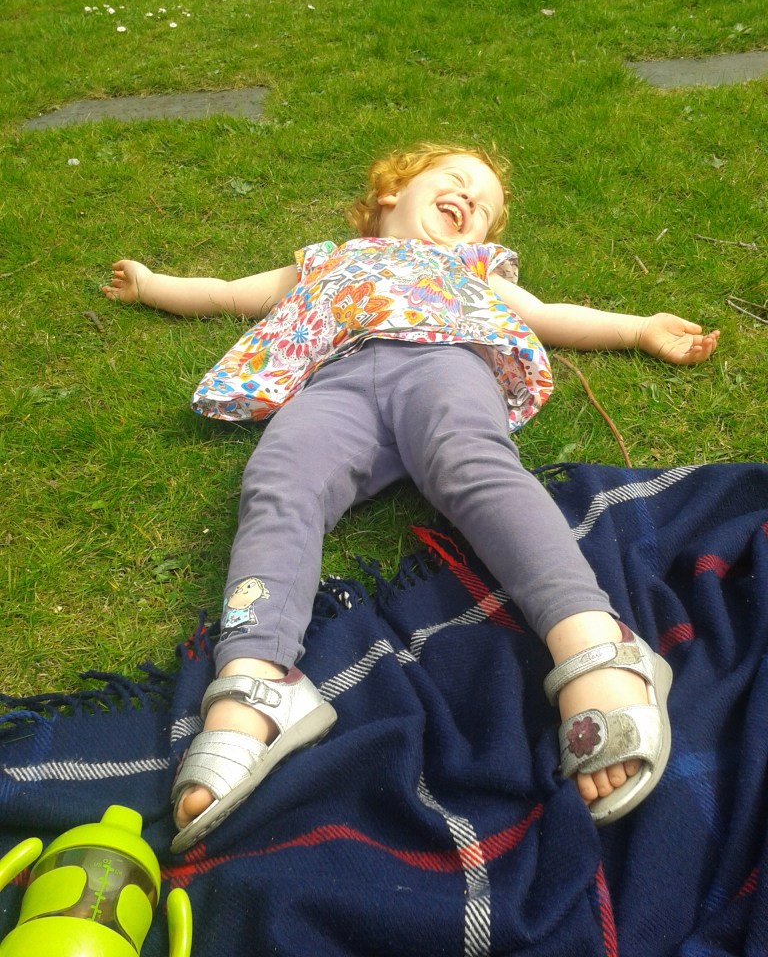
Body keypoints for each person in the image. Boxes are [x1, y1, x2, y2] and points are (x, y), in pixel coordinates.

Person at [102, 143, 719, 852]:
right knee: (279, 481)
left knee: (470, 462)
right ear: (392, 191)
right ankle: (256, 677)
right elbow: (226, 293)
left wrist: (637, 329)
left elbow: (546, 314)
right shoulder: (323, 262)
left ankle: (594, 641)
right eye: (456, 182)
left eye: (483, 206)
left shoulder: (473, 266)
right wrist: (153, 285)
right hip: (337, 383)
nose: (470, 201)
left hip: (445, 365)